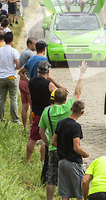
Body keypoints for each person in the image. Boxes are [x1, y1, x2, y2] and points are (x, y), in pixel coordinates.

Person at [40, 61, 88, 200]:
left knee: (51, 176)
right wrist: (82, 73)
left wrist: (48, 143)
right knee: (67, 177)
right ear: (66, 99)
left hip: (53, 148)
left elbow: (41, 132)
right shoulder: (68, 109)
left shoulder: (46, 111)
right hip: (66, 149)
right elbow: (78, 92)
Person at [52, 100, 89, 200]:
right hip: (73, 162)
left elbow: (53, 142)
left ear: (71, 109)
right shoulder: (76, 127)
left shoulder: (61, 122)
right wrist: (84, 153)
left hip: (61, 162)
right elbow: (76, 148)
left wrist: (63, 148)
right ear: (82, 112)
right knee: (80, 194)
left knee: (65, 194)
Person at [25, 60, 57, 164]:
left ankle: (27, 160)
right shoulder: (48, 84)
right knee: (44, 139)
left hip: (35, 112)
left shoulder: (31, 82)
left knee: (33, 138)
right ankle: (43, 161)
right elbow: (59, 94)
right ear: (48, 71)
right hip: (46, 113)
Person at [0, 32, 20, 123]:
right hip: (12, 76)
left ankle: (0, 117)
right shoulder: (14, 51)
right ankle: (15, 119)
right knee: (13, 98)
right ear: (12, 40)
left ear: (4, 40)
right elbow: (17, 66)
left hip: (2, 77)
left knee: (2, 98)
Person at [18, 37, 37, 129]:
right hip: (28, 81)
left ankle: (24, 127)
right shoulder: (31, 54)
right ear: (29, 44)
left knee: (24, 107)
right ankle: (31, 127)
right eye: (34, 44)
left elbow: (19, 67)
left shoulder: (22, 53)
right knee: (32, 107)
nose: (36, 46)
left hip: (21, 81)